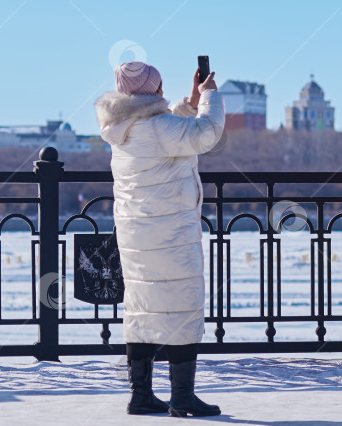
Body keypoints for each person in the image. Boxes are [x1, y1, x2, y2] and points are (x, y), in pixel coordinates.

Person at [94, 61, 225, 417]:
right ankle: (182, 396)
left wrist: (191, 100)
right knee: (181, 306)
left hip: (136, 235)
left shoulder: (122, 128)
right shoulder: (158, 127)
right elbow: (205, 132)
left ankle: (141, 395)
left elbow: (168, 129)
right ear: (154, 89)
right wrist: (209, 96)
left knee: (141, 308)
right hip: (170, 234)